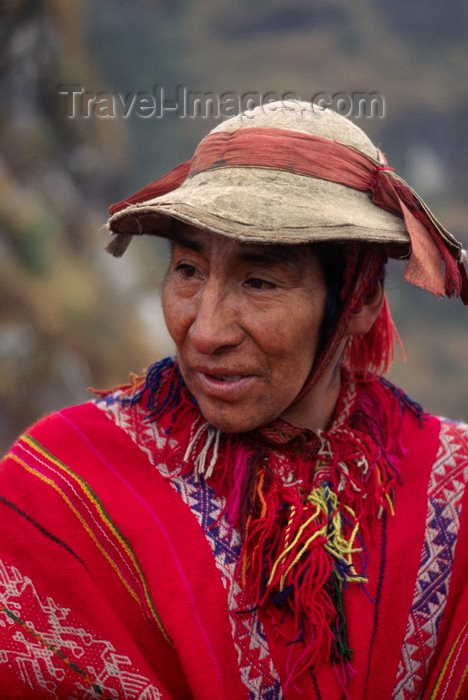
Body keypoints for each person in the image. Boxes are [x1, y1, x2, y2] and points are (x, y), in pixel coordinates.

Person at [0, 100, 467, 700]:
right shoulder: (62, 484)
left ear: (362, 300)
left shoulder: (451, 492)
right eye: (188, 270)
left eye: (259, 282)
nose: (205, 330)